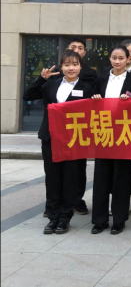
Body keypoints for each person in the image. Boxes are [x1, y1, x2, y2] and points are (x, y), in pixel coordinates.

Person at [23, 51, 93, 234]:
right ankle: (52, 217)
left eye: (75, 64)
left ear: (80, 67)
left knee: (70, 179)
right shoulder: (51, 84)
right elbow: (27, 95)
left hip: (73, 140)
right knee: (52, 178)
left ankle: (64, 218)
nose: (71, 68)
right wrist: (41, 78)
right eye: (67, 64)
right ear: (61, 67)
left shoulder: (86, 89)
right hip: (51, 137)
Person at [90, 45, 131, 235]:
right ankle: (99, 220)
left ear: (128, 59)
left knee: (121, 178)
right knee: (101, 178)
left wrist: (130, 103)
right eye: (114, 57)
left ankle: (119, 220)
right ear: (110, 59)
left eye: (121, 58)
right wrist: (95, 97)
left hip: (124, 134)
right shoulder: (102, 78)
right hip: (104, 133)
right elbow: (91, 101)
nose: (117, 61)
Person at [52, 37, 98, 216]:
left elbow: (92, 98)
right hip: (57, 130)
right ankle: (55, 204)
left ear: (84, 53)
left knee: (77, 168)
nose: (77, 50)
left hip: (78, 129)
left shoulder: (90, 74)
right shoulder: (55, 74)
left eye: (80, 48)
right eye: (73, 47)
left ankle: (77, 200)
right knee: (56, 170)